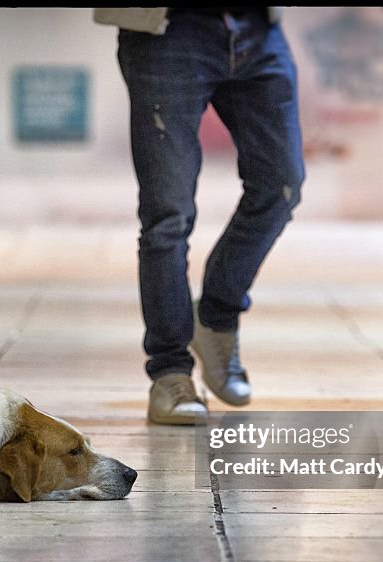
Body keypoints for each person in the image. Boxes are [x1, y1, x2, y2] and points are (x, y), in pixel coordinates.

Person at [95, 7, 305, 425]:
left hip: (256, 27)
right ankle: (170, 372)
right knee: (167, 213)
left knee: (282, 185)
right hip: (168, 27)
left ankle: (215, 314)